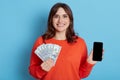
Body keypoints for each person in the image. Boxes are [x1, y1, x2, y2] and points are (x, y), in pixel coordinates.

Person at [29, 2, 99, 80]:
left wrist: (89, 63)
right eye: (56, 16)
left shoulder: (80, 43)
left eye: (65, 16)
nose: (60, 20)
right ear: (51, 20)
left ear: (70, 20)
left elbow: (81, 74)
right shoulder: (41, 41)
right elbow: (32, 71)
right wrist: (41, 70)